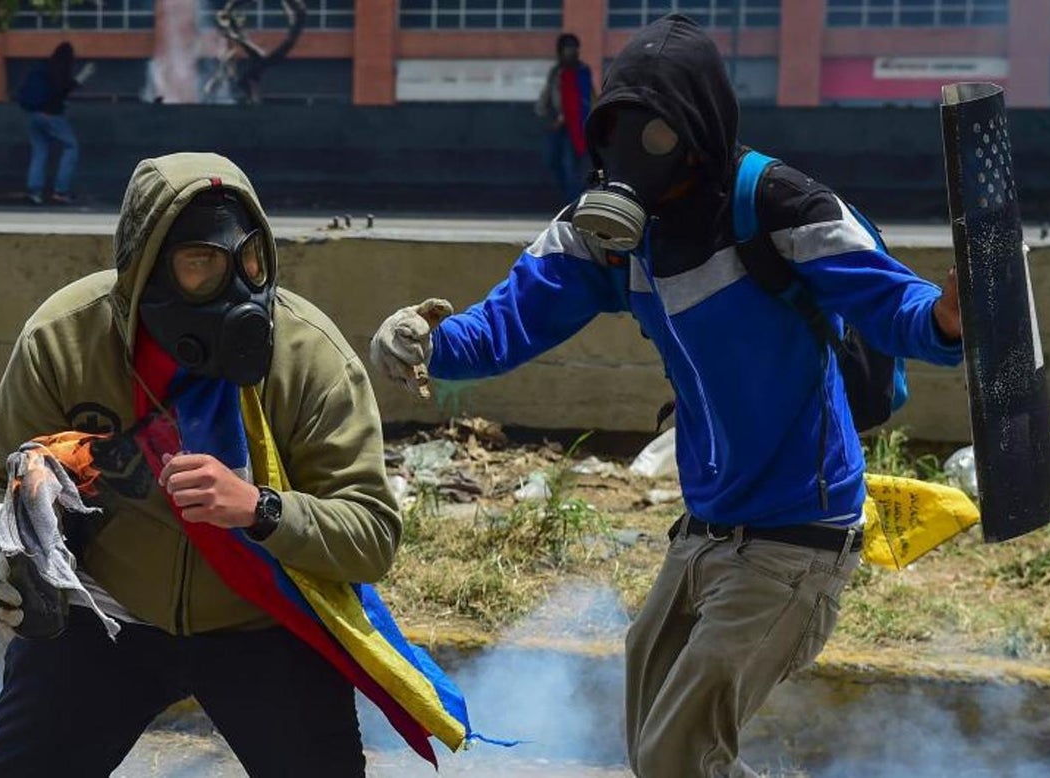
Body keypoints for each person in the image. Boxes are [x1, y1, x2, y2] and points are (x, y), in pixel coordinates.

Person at [371, 15, 963, 778]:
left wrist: (947, 318)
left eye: (654, 136)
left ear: (701, 129)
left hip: (799, 537)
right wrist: (428, 340)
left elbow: (893, 304)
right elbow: (512, 319)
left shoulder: (778, 207)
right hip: (705, 531)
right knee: (658, 747)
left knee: (674, 758)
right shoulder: (611, 233)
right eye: (615, 135)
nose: (632, 159)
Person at [0, 152, 400, 776]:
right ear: (147, 268)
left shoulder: (309, 355)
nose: (239, 287)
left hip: (264, 621)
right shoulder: (65, 338)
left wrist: (261, 510)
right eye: (202, 263)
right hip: (106, 615)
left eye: (251, 260)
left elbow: (373, 537)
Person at [16, 42, 95, 205]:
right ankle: (60, 191)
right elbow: (62, 90)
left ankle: (34, 191)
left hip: (33, 114)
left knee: (39, 151)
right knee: (71, 147)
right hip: (50, 115)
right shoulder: (59, 70)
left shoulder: (43, 68)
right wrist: (82, 77)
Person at [535, 32, 594, 202]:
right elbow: (547, 94)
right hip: (556, 124)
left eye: (573, 48)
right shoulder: (556, 72)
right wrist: (545, 114)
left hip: (576, 125)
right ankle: (571, 196)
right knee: (553, 161)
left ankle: (573, 201)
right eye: (567, 48)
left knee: (570, 165)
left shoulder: (583, 71)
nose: (570, 52)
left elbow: (586, 98)